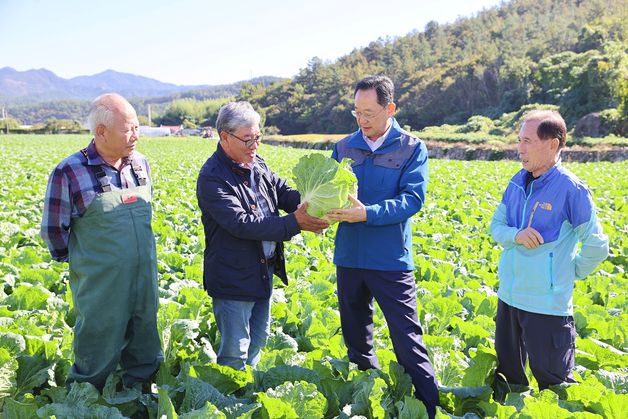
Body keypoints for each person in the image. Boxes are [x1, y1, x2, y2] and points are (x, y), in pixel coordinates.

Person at [326, 75, 439, 417]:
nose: (362, 120)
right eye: (357, 112)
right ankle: (369, 403)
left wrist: (367, 214)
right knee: (357, 340)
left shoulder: (410, 147)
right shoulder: (344, 147)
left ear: (390, 109)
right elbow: (329, 189)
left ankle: (430, 408)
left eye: (370, 113)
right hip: (349, 257)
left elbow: (412, 200)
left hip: (390, 259)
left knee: (407, 341)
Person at [41, 93, 163, 390]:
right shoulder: (69, 171)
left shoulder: (140, 165)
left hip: (143, 276)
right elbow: (53, 230)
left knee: (145, 335)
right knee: (97, 337)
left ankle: (139, 395)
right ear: (101, 132)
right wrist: (85, 262)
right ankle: (86, 398)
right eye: (127, 129)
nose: (135, 135)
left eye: (137, 127)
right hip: (101, 281)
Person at [196, 101, 328, 370]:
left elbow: (284, 193)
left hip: (262, 272)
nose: (254, 146)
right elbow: (242, 224)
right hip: (232, 276)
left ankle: (247, 392)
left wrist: (315, 203)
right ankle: (231, 402)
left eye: (257, 138)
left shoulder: (258, 164)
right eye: (248, 140)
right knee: (235, 349)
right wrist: (295, 223)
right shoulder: (212, 177)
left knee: (258, 338)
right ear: (224, 137)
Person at [490, 110, 609, 393]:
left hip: (547, 307)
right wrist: (516, 235)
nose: (520, 149)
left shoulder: (571, 189)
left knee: (555, 386)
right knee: (510, 383)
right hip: (509, 298)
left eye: (528, 141)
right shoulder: (516, 182)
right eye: (519, 140)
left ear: (553, 144)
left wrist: (565, 273)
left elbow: (597, 244)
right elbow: (496, 226)